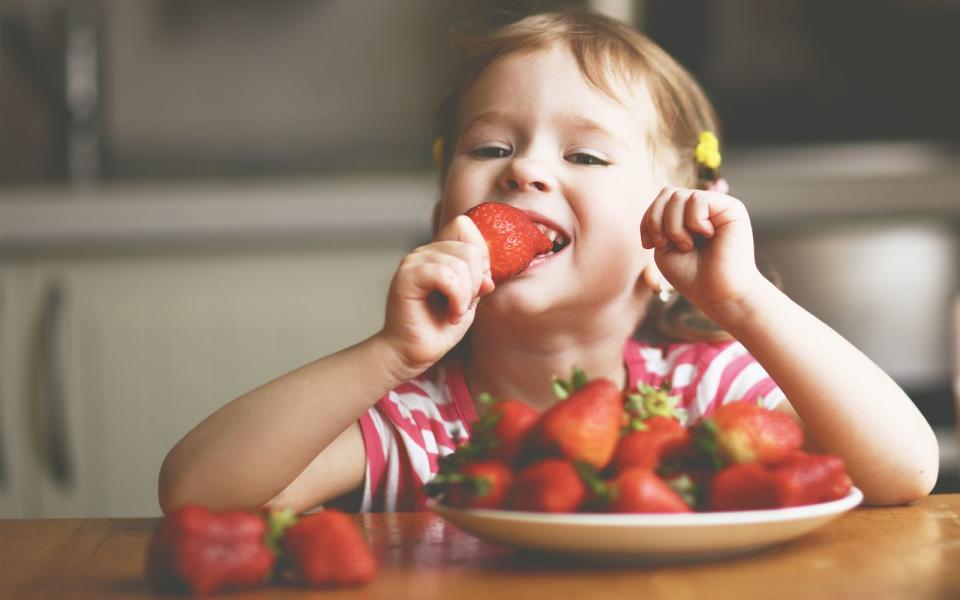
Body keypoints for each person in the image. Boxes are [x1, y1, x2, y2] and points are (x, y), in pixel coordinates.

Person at [158, 10, 938, 515]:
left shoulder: (706, 390)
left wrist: (743, 304)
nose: (524, 172)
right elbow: (198, 495)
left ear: (667, 233)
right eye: (490, 147)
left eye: (586, 155)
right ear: (441, 218)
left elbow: (904, 472)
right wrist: (389, 355)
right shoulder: (417, 422)